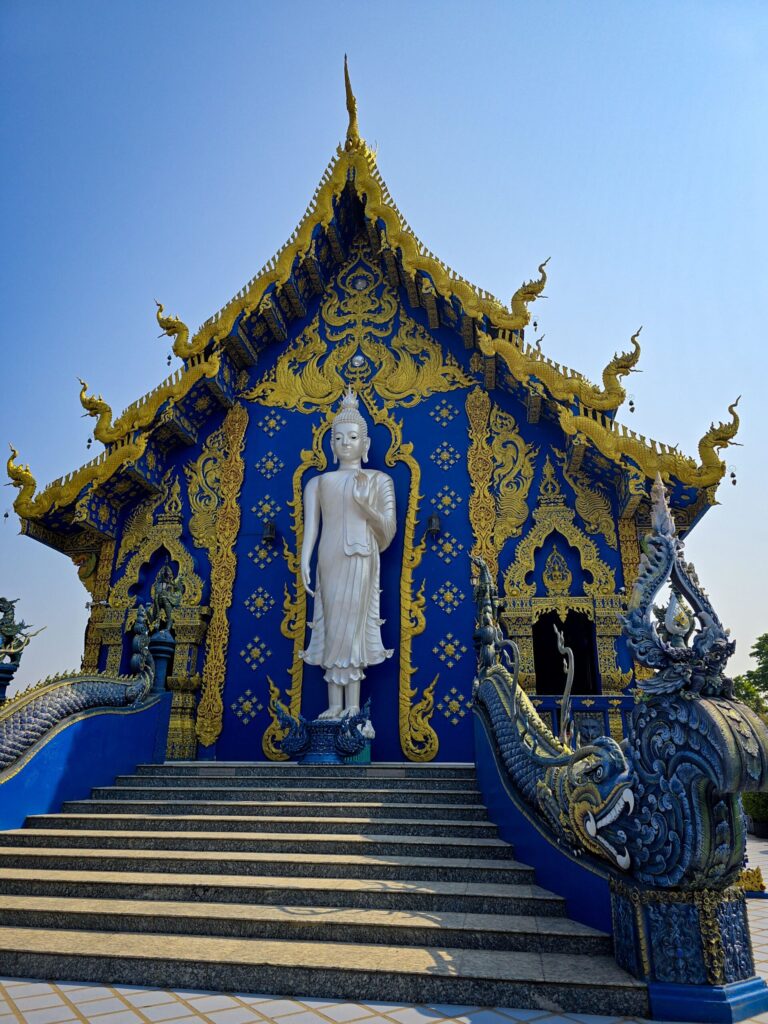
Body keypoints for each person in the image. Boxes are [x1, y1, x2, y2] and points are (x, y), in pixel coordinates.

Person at [300, 389, 396, 718]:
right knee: (330, 625)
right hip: (328, 559)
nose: (345, 443)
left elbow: (388, 531)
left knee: (352, 629)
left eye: (353, 437)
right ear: (331, 444)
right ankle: (333, 706)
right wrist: (304, 560)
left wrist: (366, 506)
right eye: (339, 438)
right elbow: (311, 527)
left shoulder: (378, 480)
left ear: (365, 445)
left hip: (362, 557)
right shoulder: (318, 483)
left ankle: (352, 707)